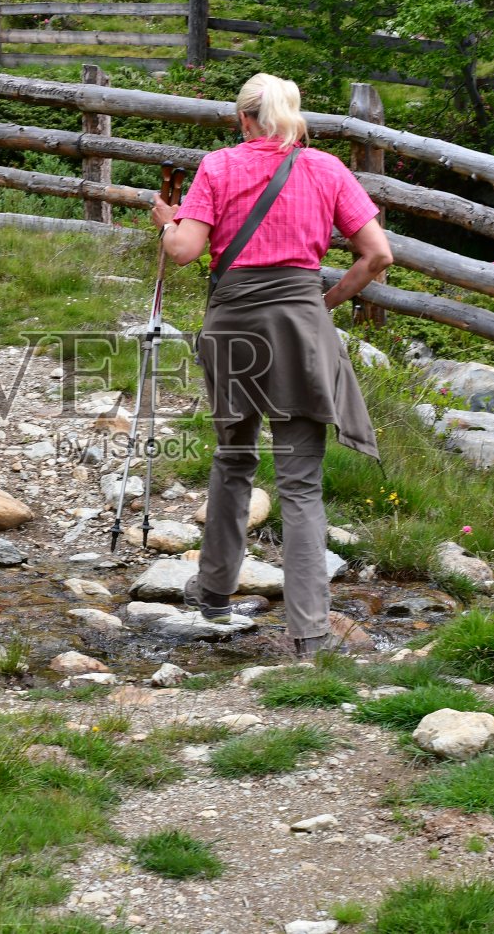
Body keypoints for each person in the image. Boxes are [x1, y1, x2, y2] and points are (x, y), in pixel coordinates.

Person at [151, 72, 394, 657]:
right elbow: (378, 255)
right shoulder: (328, 169)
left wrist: (167, 222)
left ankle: (212, 594)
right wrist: (323, 303)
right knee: (301, 485)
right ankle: (309, 635)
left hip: (234, 322)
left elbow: (185, 252)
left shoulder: (219, 167)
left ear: (244, 118)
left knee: (234, 458)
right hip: (301, 327)